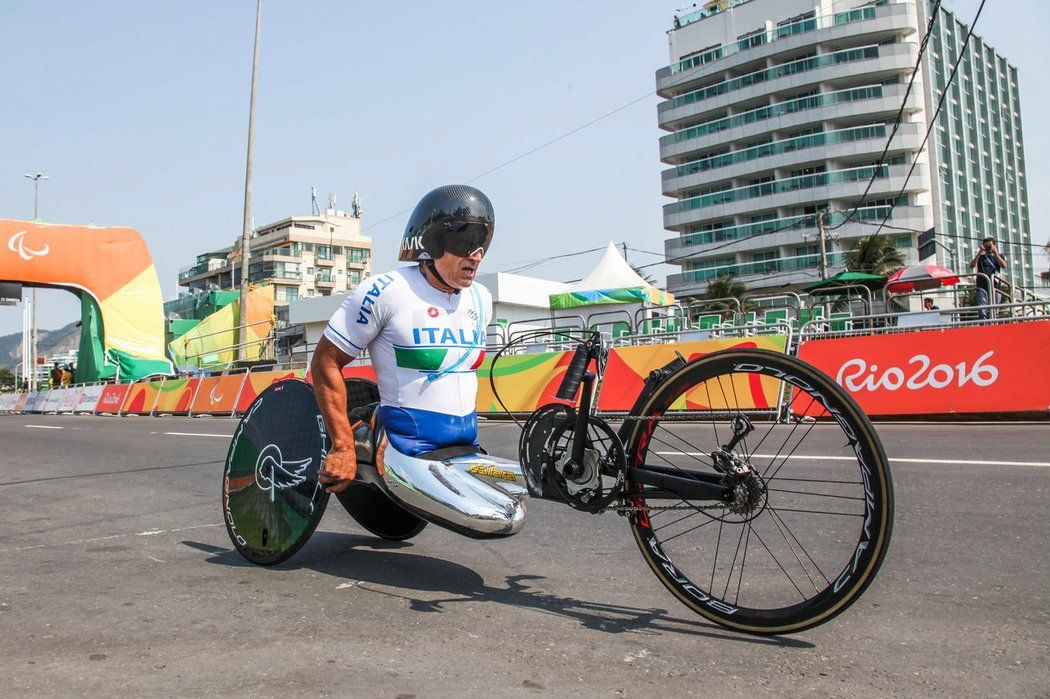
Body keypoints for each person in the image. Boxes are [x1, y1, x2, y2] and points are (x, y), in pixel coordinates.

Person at [311, 185, 495, 494]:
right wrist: (342, 445)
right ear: (434, 241)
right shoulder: (385, 291)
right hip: (405, 448)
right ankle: (363, 436)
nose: (476, 255)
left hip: (464, 446)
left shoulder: (481, 298)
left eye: (483, 242)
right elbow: (325, 360)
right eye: (467, 241)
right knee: (500, 523)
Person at [968, 237, 1006, 319]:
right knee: (982, 306)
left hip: (995, 286)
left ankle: (994, 322)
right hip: (981, 285)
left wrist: (996, 253)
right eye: (986, 246)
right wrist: (979, 253)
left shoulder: (999, 256)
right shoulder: (981, 257)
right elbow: (971, 265)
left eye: (990, 245)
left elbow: (1003, 266)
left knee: (995, 307)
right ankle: (984, 323)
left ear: (994, 245)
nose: (988, 247)